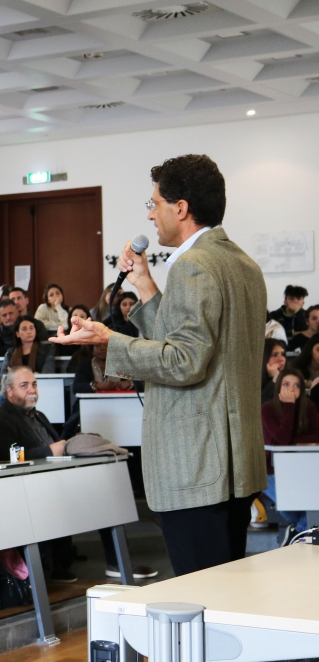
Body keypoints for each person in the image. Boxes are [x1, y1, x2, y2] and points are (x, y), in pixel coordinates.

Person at [51, 154, 267, 577]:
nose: (151, 215)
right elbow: (200, 344)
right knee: (226, 593)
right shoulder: (241, 263)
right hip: (233, 461)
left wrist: (109, 339)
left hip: (198, 464)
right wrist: (146, 286)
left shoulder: (192, 266)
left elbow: (184, 360)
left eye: (154, 204)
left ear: (180, 208)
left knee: (203, 597)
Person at [0, 367, 74, 582]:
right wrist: (49, 451)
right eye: (24, 385)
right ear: (9, 391)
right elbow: (6, 457)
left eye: (34, 384)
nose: (32, 390)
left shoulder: (39, 415)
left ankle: (63, 562)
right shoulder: (0, 419)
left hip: (53, 479)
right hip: (25, 487)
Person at [261, 368, 319, 536]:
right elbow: (282, 439)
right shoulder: (267, 409)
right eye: (286, 384)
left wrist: (292, 440)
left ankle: (295, 534)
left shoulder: (308, 406)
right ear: (279, 386)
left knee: (313, 505)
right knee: (290, 508)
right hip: (272, 471)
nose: (291, 390)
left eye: (296, 385)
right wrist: (289, 406)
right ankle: (299, 534)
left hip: (303, 467)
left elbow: (317, 434)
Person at [261, 338, 288, 405]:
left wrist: (276, 377)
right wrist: (275, 378)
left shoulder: (290, 377)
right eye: (274, 355)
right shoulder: (253, 380)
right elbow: (261, 406)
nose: (281, 359)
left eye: (283, 354)